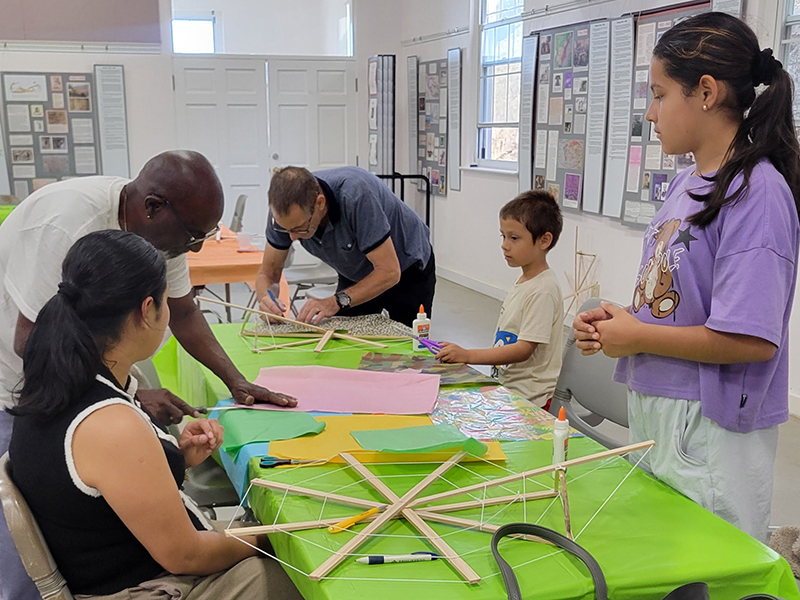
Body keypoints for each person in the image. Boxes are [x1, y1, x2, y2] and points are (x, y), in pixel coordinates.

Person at [0, 151, 296, 599]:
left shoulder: (65, 390)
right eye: (193, 238)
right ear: (145, 311)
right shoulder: (108, 420)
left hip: (118, 559)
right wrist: (271, 540)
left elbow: (100, 481)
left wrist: (172, 454)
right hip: (144, 584)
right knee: (297, 575)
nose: (194, 249)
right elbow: (187, 557)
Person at [573, 12, 800, 543]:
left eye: (659, 94)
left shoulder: (756, 192)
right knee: (666, 557)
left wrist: (637, 335)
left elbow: (750, 339)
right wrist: (620, 320)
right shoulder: (687, 183)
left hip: (709, 426)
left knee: (712, 564)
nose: (650, 113)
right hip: (659, 407)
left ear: (705, 92)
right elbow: (678, 301)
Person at [257, 166, 435, 327]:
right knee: (346, 342)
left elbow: (389, 272)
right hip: (355, 270)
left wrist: (335, 301)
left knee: (406, 348)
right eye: (286, 229)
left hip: (406, 267)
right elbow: (268, 273)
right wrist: (267, 299)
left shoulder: (356, 196)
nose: (292, 237)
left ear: (320, 203)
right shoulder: (284, 214)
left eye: (299, 228)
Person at [437, 191, 564, 408]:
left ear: (544, 240)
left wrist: (468, 354)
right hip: (510, 388)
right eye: (503, 236)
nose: (505, 245)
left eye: (514, 238)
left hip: (531, 399)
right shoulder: (526, 279)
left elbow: (524, 349)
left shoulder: (543, 290)